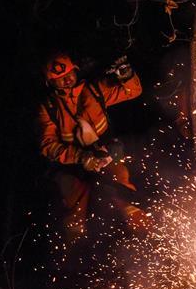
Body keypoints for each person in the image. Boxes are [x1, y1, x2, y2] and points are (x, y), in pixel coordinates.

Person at [37, 52, 146, 242]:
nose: (66, 80)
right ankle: (75, 253)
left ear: (76, 70)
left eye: (69, 74)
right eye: (59, 79)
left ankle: (144, 236)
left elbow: (133, 91)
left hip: (105, 154)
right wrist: (80, 157)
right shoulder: (48, 108)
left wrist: (126, 76)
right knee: (76, 204)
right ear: (50, 83)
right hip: (71, 166)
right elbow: (48, 145)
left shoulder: (94, 89)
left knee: (121, 184)